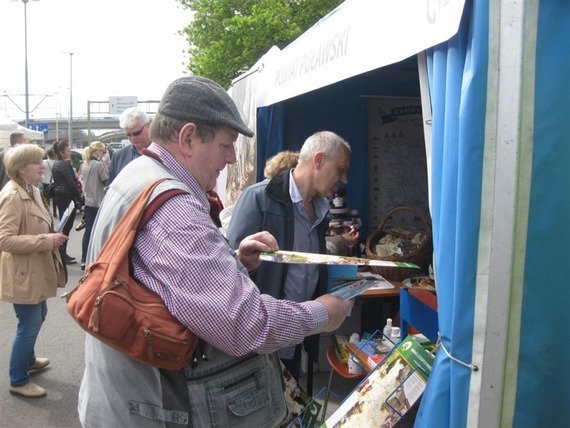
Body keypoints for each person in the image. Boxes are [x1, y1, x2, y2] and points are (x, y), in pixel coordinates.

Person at [78, 76, 353, 427]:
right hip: (152, 409)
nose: (231, 158)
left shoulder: (141, 174)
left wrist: (235, 262)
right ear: (188, 137)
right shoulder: (174, 211)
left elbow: (160, 282)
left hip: (124, 399)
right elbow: (244, 323)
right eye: (226, 144)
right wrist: (320, 314)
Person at [227, 131, 360, 381]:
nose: (344, 178)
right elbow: (230, 272)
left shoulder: (321, 210)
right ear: (318, 161)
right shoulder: (258, 198)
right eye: (340, 169)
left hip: (298, 336)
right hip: (261, 340)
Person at [0, 144, 67, 398]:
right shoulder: (12, 196)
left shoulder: (32, 190)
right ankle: (18, 379)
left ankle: (27, 361)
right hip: (23, 271)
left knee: (37, 315)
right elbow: (4, 240)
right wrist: (46, 241)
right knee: (29, 324)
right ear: (20, 170)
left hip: (32, 268)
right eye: (37, 162)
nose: (43, 165)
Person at [78, 141, 108, 270]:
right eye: (103, 151)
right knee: (101, 231)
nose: (104, 153)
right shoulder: (98, 165)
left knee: (88, 231)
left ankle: (84, 258)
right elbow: (106, 181)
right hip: (99, 201)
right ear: (97, 151)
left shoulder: (84, 164)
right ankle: (99, 257)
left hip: (88, 201)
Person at [52, 140, 81, 264]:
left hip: (61, 195)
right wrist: (79, 197)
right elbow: (70, 183)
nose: (69, 153)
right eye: (68, 151)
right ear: (61, 153)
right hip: (66, 197)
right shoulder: (63, 165)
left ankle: (63, 253)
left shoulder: (58, 164)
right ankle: (62, 253)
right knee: (66, 226)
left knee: (65, 225)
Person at [106, 107, 152, 185]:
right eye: (128, 135)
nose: (133, 138)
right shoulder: (118, 157)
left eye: (136, 133)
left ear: (148, 126)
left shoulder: (165, 152)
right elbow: (110, 189)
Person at [41, 149, 57, 217]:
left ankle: (48, 210)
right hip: (54, 181)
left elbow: (42, 170)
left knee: (47, 196)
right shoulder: (56, 162)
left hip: (45, 181)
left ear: (47, 155)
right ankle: (54, 211)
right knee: (54, 197)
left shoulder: (44, 162)